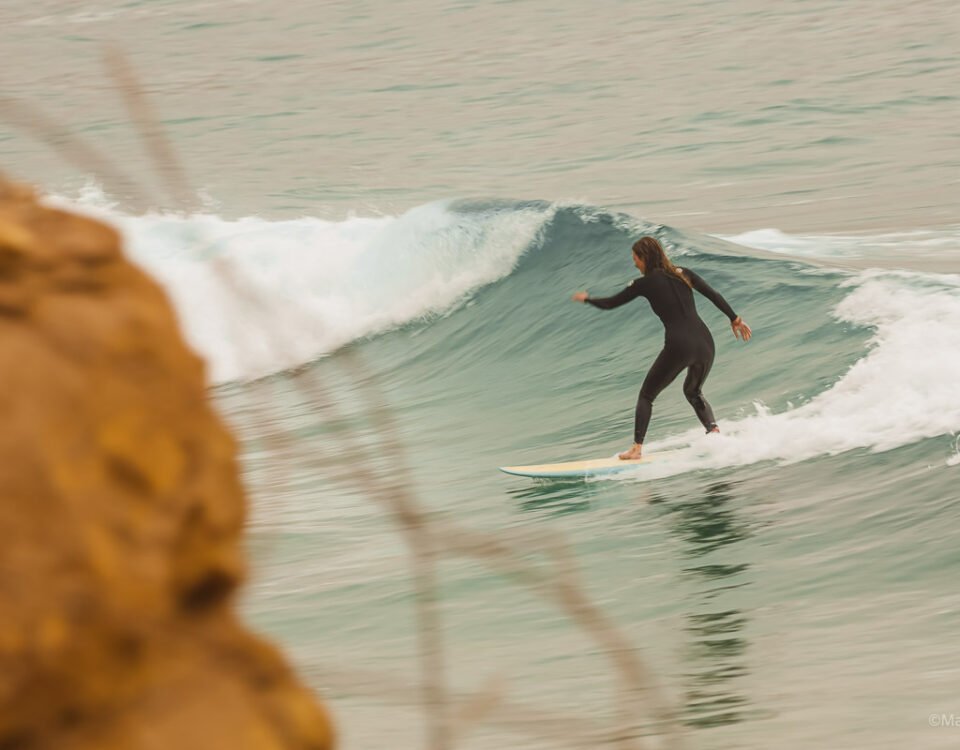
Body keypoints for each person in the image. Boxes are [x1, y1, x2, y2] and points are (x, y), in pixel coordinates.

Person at [572, 236, 751, 460]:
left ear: (644, 258)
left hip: (679, 345)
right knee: (692, 391)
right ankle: (714, 433)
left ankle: (636, 448)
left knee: (646, 395)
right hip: (705, 343)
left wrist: (587, 299)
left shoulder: (644, 283)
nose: (635, 264)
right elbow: (713, 295)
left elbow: (610, 303)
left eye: (636, 259)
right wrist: (734, 319)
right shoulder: (682, 273)